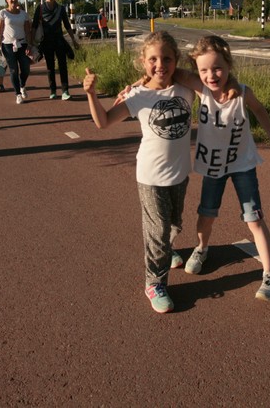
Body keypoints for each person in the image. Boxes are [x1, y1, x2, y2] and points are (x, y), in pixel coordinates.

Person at [83, 31, 194, 314]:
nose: (160, 65)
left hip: (180, 173)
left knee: (174, 223)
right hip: (150, 176)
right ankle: (154, 283)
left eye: (166, 58)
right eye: (153, 59)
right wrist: (92, 94)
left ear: (176, 60)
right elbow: (104, 122)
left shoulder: (186, 89)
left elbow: (209, 81)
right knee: (158, 230)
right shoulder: (138, 96)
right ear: (143, 62)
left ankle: (166, 250)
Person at [174, 35, 270, 301]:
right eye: (204, 70)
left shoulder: (243, 92)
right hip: (213, 166)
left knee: (254, 218)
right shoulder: (201, 89)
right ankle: (202, 248)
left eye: (217, 68)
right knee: (206, 214)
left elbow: (260, 111)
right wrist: (139, 83)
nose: (211, 75)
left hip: (242, 165)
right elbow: (171, 71)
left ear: (228, 65)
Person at [33, 0, 79, 100]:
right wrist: (32, 42)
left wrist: (73, 40)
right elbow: (34, 26)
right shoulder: (40, 8)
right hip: (46, 42)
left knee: (63, 66)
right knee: (50, 67)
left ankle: (65, 91)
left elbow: (67, 25)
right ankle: (53, 90)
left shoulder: (61, 8)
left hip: (59, 40)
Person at [0, 0, 33, 104]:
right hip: (8, 45)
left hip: (22, 44)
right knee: (13, 70)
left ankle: (22, 85)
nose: (13, 0)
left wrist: (29, 44)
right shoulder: (3, 13)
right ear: (6, 0)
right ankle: (18, 94)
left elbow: (27, 31)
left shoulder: (23, 14)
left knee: (26, 68)